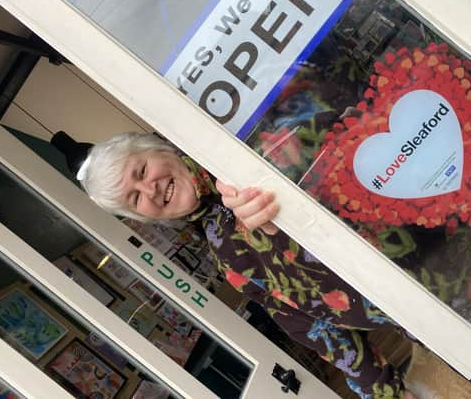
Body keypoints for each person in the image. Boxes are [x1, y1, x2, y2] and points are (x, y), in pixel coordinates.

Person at [78, 132, 417, 399]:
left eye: (141, 171)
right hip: (423, 322)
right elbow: (305, 321)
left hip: (433, 266)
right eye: (135, 199)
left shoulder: (243, 153)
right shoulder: (220, 246)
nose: (149, 190)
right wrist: (383, 390)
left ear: (161, 148)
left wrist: (279, 208)